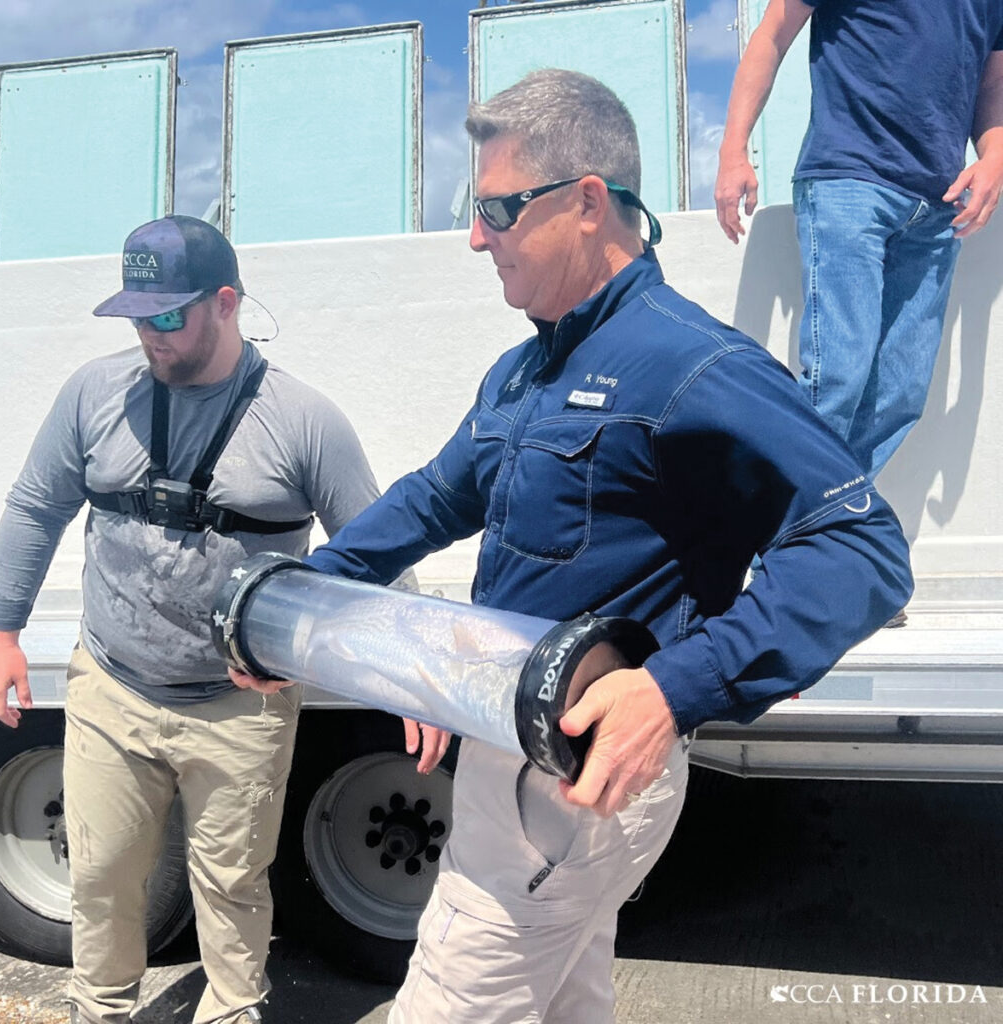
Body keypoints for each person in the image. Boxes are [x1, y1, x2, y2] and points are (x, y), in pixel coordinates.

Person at [275, 69, 912, 1023]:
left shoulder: (691, 365)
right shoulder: (526, 368)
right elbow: (436, 497)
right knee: (571, 1004)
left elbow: (863, 549)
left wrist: (671, 687)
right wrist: (304, 601)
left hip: (571, 779)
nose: (476, 236)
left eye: (496, 208)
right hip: (511, 750)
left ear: (584, 203)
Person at [0, 215, 382, 1024]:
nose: (149, 336)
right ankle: (103, 1007)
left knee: (232, 885)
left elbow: (376, 554)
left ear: (226, 302)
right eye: (136, 316)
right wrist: (0, 633)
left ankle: (233, 1010)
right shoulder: (96, 394)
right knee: (100, 875)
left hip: (241, 706)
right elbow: (33, 507)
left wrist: (409, 681)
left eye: (168, 315)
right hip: (113, 688)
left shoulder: (303, 421)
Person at [715, 0, 1003, 482]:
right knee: (836, 380)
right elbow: (772, 33)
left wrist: (994, 155)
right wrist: (732, 150)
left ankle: (826, 531)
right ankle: (779, 546)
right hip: (849, 179)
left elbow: (993, 83)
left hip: (938, 206)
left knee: (899, 395)